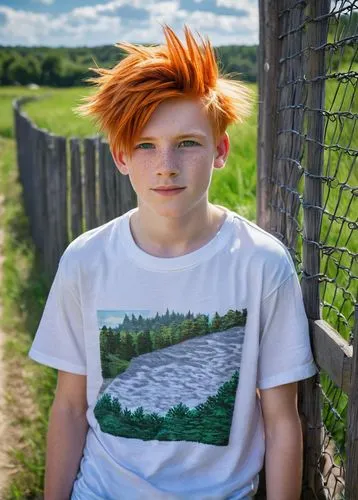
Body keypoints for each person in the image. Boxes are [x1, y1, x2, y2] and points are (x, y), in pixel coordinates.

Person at [28, 25, 318, 500]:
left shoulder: (261, 264)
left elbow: (281, 417)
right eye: (146, 145)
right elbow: (68, 405)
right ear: (121, 155)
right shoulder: (87, 259)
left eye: (187, 143)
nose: (166, 164)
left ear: (219, 150)